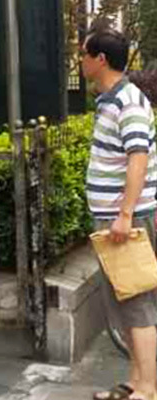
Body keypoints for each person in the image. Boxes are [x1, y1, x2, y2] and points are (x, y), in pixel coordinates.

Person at [82, 28, 157, 400]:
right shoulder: (111, 100)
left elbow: (138, 157)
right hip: (114, 220)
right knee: (125, 300)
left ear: (100, 59)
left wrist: (125, 215)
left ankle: (148, 389)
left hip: (126, 221)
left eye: (84, 54)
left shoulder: (128, 101)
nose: (80, 61)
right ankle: (134, 379)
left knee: (137, 302)